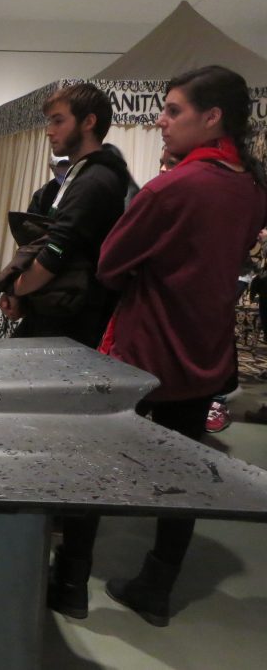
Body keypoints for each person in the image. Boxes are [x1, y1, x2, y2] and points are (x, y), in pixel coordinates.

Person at [48, 65, 267, 627]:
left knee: (94, 466)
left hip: (146, 349)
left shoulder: (174, 187)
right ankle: (156, 586)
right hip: (205, 352)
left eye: (173, 111)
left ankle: (71, 581)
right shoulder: (250, 188)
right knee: (185, 472)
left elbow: (111, 262)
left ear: (211, 117)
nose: (160, 120)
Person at [0, 83, 132, 349]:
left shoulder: (95, 180)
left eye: (58, 121)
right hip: (60, 310)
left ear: (88, 122)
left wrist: (15, 289)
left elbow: (57, 251)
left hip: (74, 321)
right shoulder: (83, 174)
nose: (50, 131)